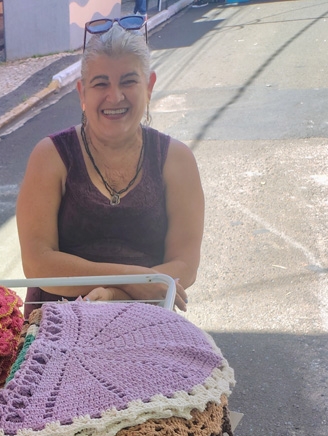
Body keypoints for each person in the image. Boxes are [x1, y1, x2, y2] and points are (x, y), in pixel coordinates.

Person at [16, 22, 204, 313]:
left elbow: (185, 265)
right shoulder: (51, 156)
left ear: (149, 86)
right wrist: (133, 279)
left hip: (147, 319)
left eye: (128, 81)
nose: (114, 96)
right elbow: (38, 263)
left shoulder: (176, 159)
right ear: (82, 93)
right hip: (57, 322)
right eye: (100, 84)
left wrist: (117, 295)